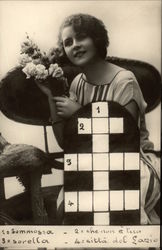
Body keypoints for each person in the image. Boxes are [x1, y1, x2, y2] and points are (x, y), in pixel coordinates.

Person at [36, 13, 160, 224]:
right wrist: (51, 97)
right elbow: (67, 143)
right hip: (89, 163)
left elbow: (122, 141)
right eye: (68, 42)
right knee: (73, 206)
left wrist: (80, 113)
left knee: (115, 204)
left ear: (97, 39)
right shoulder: (77, 83)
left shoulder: (125, 81)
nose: (75, 45)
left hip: (129, 163)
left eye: (81, 37)